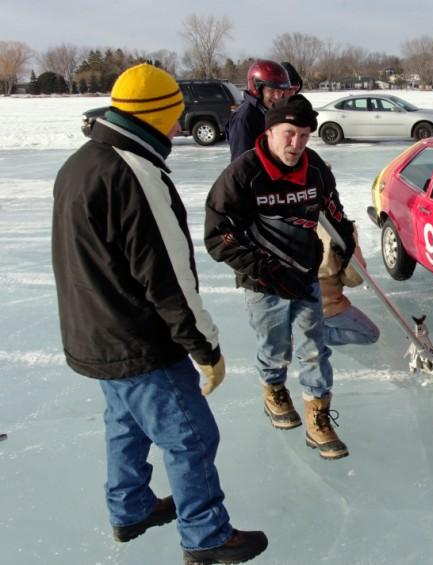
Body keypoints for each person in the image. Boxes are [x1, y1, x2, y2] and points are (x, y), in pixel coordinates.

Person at [51, 63, 267, 564]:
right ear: (155, 114)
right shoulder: (136, 172)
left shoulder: (83, 162)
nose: (179, 124)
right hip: (138, 337)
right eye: (175, 114)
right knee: (191, 436)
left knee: (124, 423)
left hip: (94, 332)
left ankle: (130, 507)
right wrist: (205, 346)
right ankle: (206, 535)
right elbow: (168, 274)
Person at [205, 95, 357, 460]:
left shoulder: (314, 167)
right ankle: (273, 388)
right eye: (289, 134)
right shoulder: (244, 174)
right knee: (275, 349)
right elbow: (219, 236)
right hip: (263, 284)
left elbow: (331, 206)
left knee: (313, 348)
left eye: (304, 136)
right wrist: (265, 270)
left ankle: (318, 421)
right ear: (270, 131)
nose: (296, 144)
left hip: (305, 275)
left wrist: (344, 240)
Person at [316, 225, 380, 346]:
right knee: (371, 334)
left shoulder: (284, 218)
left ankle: (305, 332)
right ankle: (312, 335)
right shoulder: (338, 227)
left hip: (294, 302)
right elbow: (354, 278)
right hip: (326, 304)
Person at [226, 60, 302, 161]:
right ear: (257, 88)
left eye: (280, 91)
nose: (277, 96)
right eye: (271, 90)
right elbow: (241, 165)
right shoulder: (244, 119)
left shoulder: (269, 112)